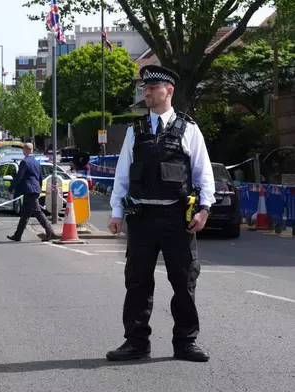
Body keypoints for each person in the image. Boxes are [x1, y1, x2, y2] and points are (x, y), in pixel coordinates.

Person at [106, 65, 216, 363]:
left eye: (153, 88)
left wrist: (205, 209)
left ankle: (186, 342)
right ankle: (136, 342)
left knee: (184, 281)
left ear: (169, 91)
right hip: (141, 217)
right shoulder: (135, 130)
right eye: (145, 87)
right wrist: (117, 213)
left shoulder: (189, 129)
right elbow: (122, 176)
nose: (147, 92)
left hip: (176, 219)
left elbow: (203, 174)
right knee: (137, 282)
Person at [6, 143, 56, 242]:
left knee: (37, 212)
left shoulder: (24, 162)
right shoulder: (36, 162)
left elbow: (19, 177)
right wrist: (39, 189)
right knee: (25, 214)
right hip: (35, 189)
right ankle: (17, 235)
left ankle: (50, 231)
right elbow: (40, 178)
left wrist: (10, 189)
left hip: (29, 190)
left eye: (23, 150)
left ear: (25, 150)